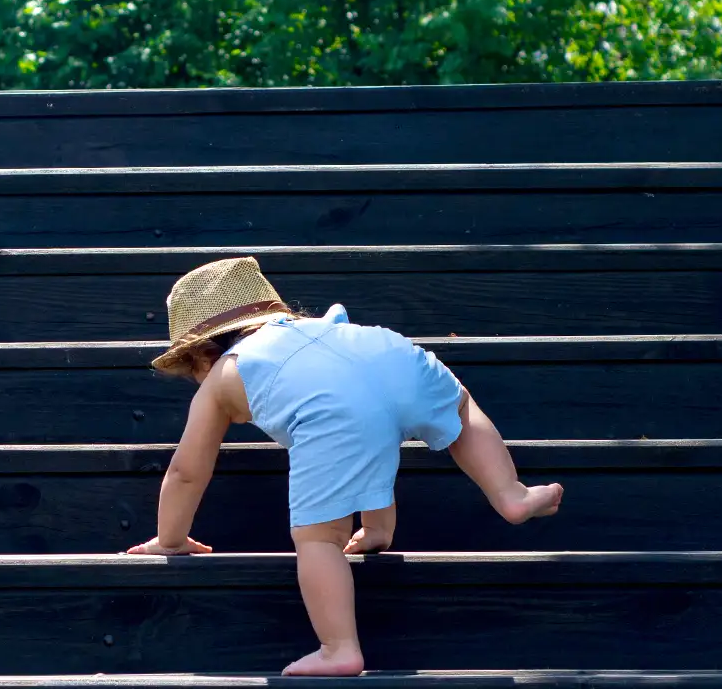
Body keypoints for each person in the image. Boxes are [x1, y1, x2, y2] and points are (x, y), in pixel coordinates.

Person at [124, 257, 564, 676]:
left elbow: (187, 471)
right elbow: (369, 416)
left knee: (320, 535)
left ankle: (338, 648)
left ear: (200, 355)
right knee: (458, 406)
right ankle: (509, 493)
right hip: (387, 352)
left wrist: (171, 539)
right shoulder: (319, 330)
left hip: (334, 411)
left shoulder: (224, 373)